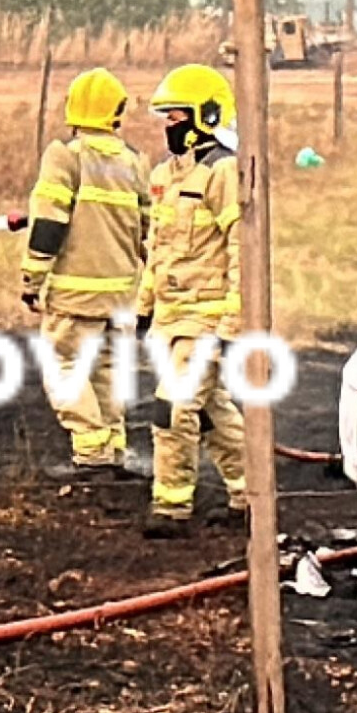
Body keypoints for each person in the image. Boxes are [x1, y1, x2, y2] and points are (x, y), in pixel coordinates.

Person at [17, 68, 150, 482]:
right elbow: (149, 231)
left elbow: (51, 223)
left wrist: (31, 280)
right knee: (107, 370)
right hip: (122, 298)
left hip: (75, 298)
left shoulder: (66, 156)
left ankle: (91, 452)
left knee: (64, 366)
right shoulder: (133, 162)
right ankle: (113, 448)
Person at [137, 63, 246, 537]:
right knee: (211, 412)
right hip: (171, 321)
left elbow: (242, 250)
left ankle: (172, 507)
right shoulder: (165, 175)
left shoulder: (224, 171)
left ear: (207, 115)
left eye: (177, 116)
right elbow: (159, 249)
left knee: (174, 408)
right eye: (166, 117)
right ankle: (250, 495)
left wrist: (232, 327)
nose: (169, 125)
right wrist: (144, 307)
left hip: (207, 321)